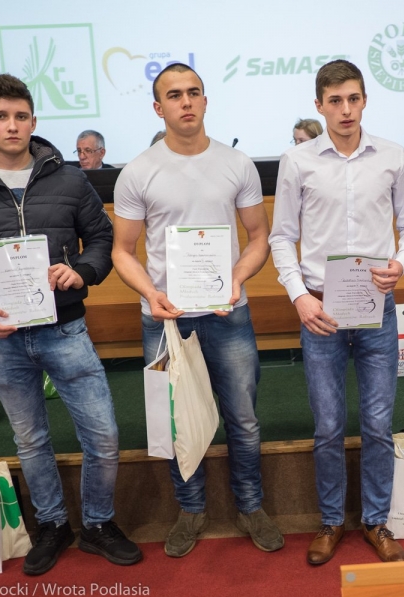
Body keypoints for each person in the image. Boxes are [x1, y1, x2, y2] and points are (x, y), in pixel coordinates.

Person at [0, 74, 141, 575]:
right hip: (1, 338)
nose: (12, 125)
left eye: (20, 116)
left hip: (65, 331)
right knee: (31, 441)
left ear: (33, 122)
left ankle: (97, 524)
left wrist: (82, 270)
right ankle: (52, 524)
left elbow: (103, 240)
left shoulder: (69, 180)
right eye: (0, 116)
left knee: (103, 435)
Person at [111, 63, 283, 558]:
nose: (185, 102)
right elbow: (123, 250)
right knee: (175, 424)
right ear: (158, 107)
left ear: (205, 101)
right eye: (174, 95)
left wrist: (237, 278)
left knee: (243, 419)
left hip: (229, 314)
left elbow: (258, 237)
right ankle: (190, 510)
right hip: (165, 318)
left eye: (193, 92)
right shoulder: (138, 171)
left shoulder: (237, 164)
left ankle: (251, 506)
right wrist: (151, 293)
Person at [270, 59, 404, 565]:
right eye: (335, 101)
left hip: (377, 304)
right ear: (319, 105)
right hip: (320, 308)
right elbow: (281, 237)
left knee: (378, 424)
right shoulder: (297, 161)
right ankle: (332, 520)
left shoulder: (392, 156)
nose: (345, 109)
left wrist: (401, 262)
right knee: (328, 426)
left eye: (353, 99)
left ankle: (376, 521)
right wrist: (299, 295)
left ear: (364, 101)